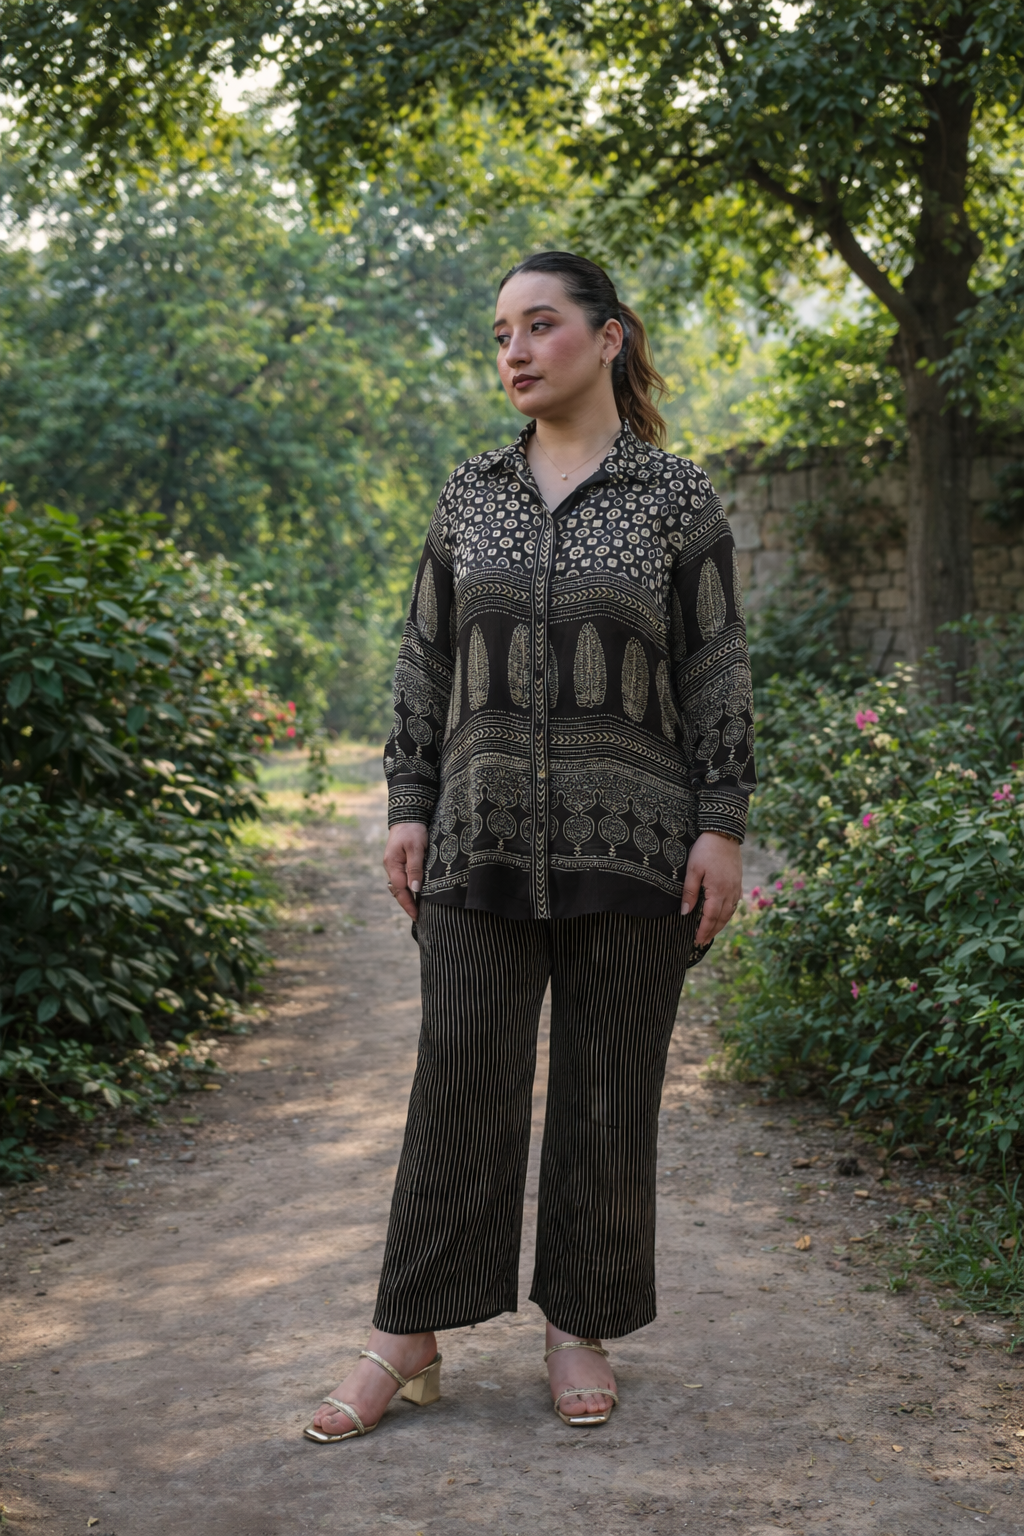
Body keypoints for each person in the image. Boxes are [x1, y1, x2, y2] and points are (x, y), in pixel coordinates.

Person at [304, 250, 755, 1444]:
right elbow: (423, 659)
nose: (514, 350)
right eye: (500, 333)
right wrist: (408, 803)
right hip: (478, 839)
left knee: (609, 1093)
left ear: (608, 338)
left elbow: (716, 671)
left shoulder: (675, 499)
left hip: (636, 844)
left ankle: (579, 1325)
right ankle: (407, 1332)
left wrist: (720, 827)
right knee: (456, 1082)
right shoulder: (469, 494)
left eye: (539, 325)